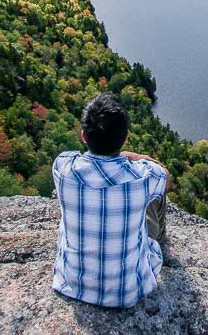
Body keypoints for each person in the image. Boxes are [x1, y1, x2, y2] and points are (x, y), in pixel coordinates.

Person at [51, 92, 169, 308]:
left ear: (83, 136)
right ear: (125, 138)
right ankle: (160, 239)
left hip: (71, 283)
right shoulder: (143, 177)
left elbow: (71, 157)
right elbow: (163, 172)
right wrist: (130, 156)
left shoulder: (63, 167)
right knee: (156, 196)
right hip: (128, 290)